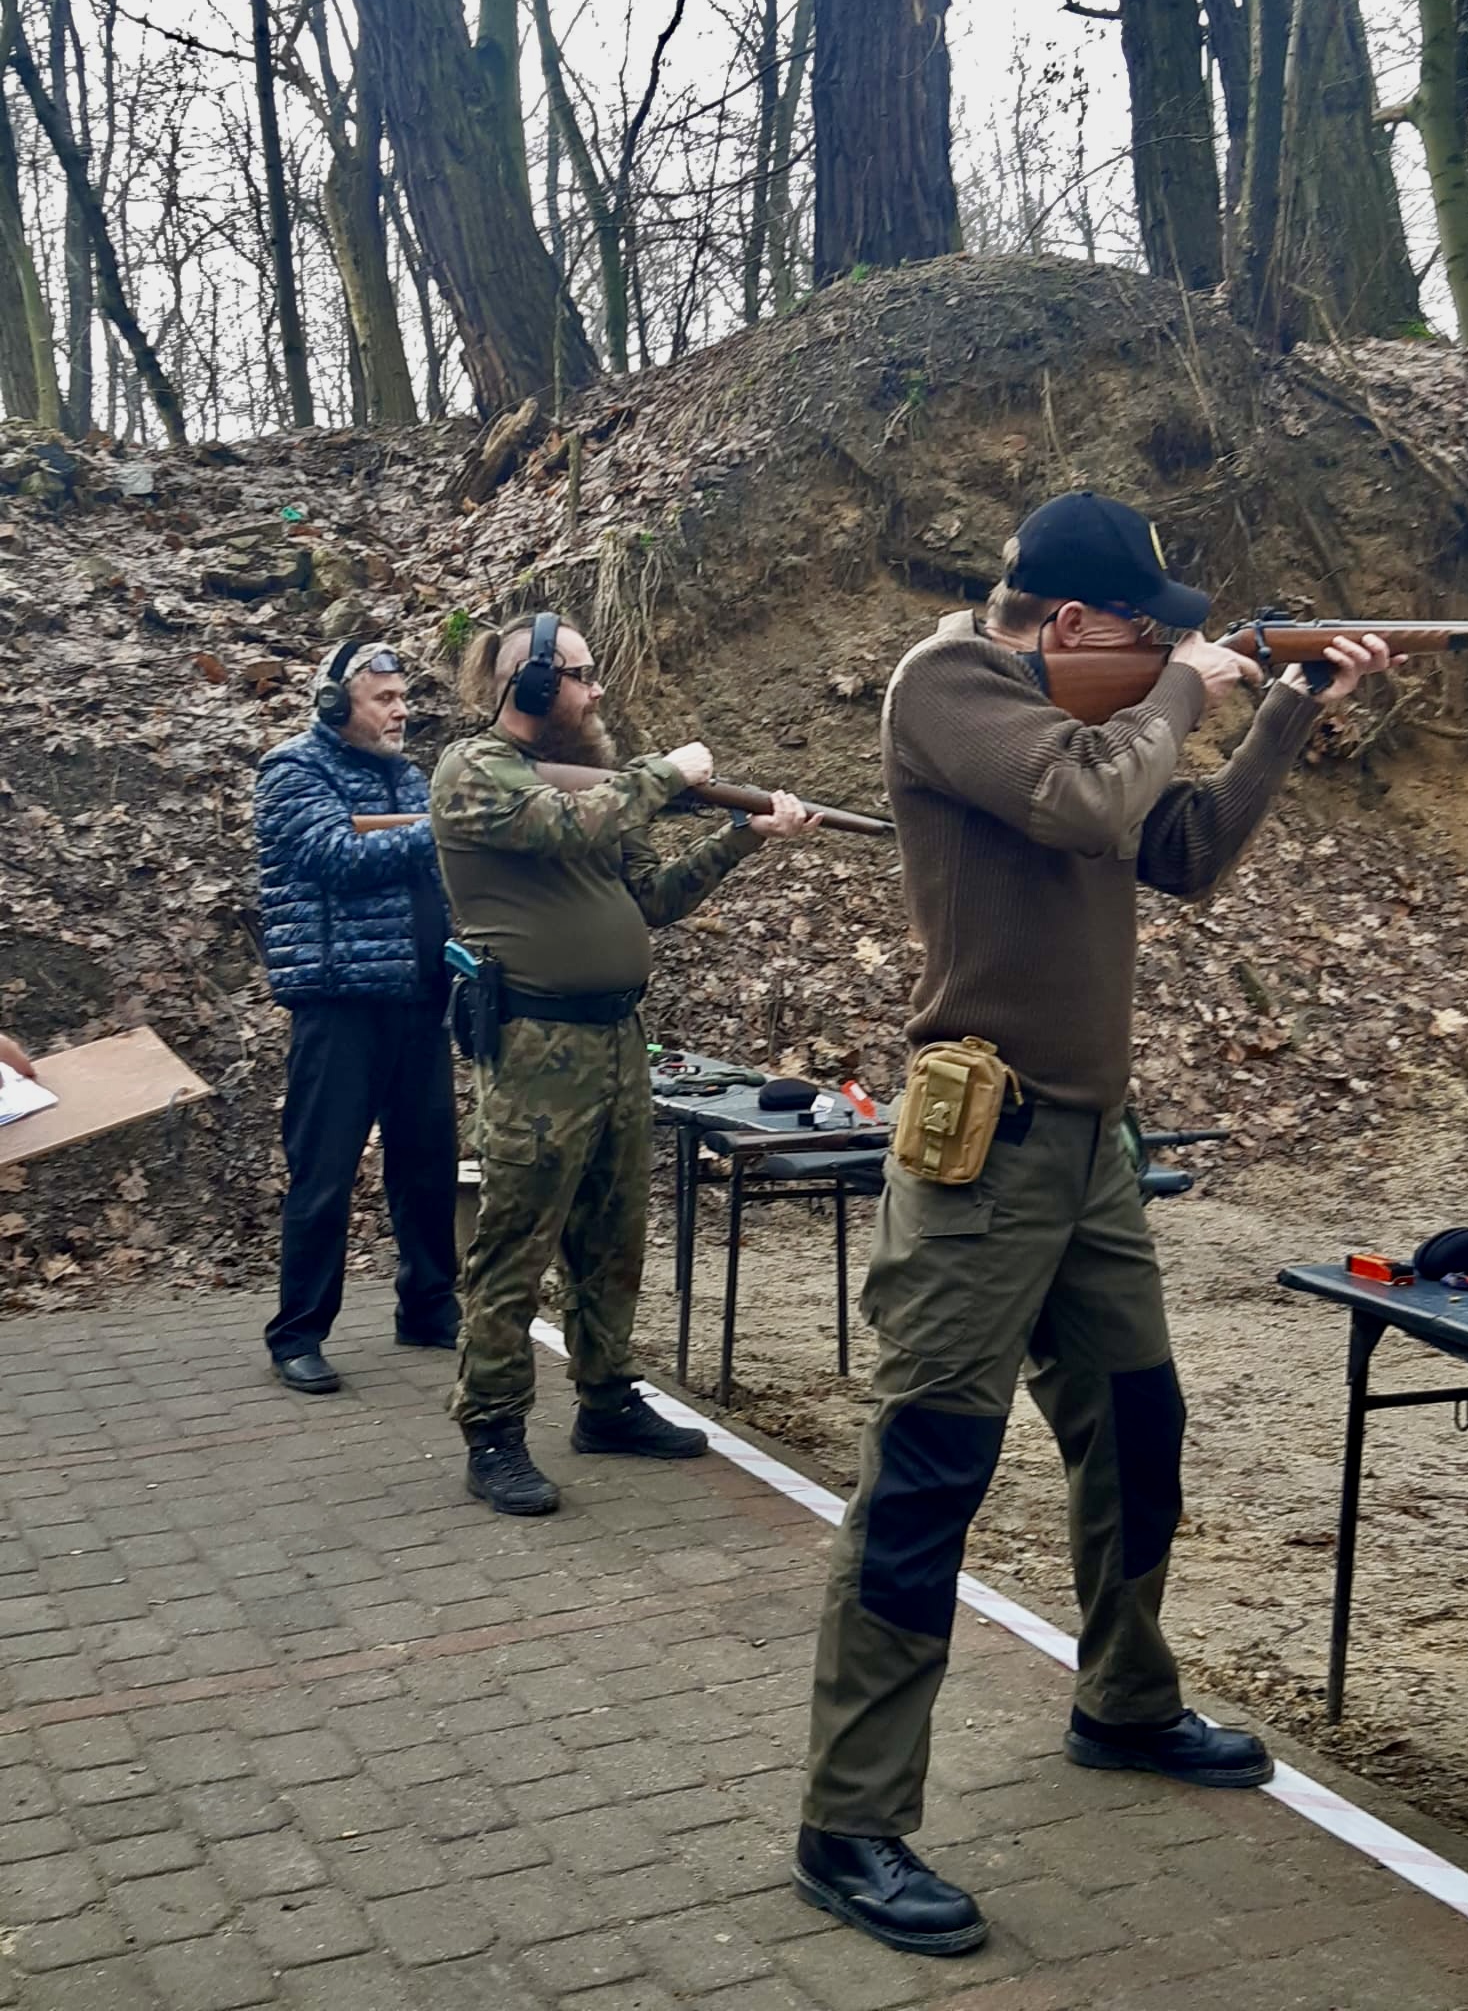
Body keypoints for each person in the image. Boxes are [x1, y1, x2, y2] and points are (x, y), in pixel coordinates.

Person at [794, 491, 1398, 1956]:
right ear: (1069, 623)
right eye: (1142, 628)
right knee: (928, 1469)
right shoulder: (950, 681)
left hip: (1090, 1150)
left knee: (1138, 1426)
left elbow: (1179, 847)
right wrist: (1185, 689)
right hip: (984, 1150)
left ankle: (1123, 1697)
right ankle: (848, 1821)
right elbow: (1084, 801)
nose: (1163, 650)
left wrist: (1288, 708)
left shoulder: (1088, 729)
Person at [430, 614, 819, 1515]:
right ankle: (493, 1431)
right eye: (578, 674)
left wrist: (745, 836)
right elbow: (562, 827)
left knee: (612, 1239)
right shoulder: (473, 770)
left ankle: (605, 1399)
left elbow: (654, 898)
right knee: (515, 1246)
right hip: (535, 1045)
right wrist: (667, 775)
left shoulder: (605, 786)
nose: (596, 688)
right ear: (531, 685)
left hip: (615, 1040)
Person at [255, 640, 460, 1394]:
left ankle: (429, 1308)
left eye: (404, 697)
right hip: (339, 1005)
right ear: (337, 704)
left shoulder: (405, 777)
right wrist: (445, 825)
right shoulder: (291, 770)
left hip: (418, 999)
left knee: (429, 1166)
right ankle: (297, 1334)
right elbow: (337, 856)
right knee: (324, 1174)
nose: (402, 710)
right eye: (385, 699)